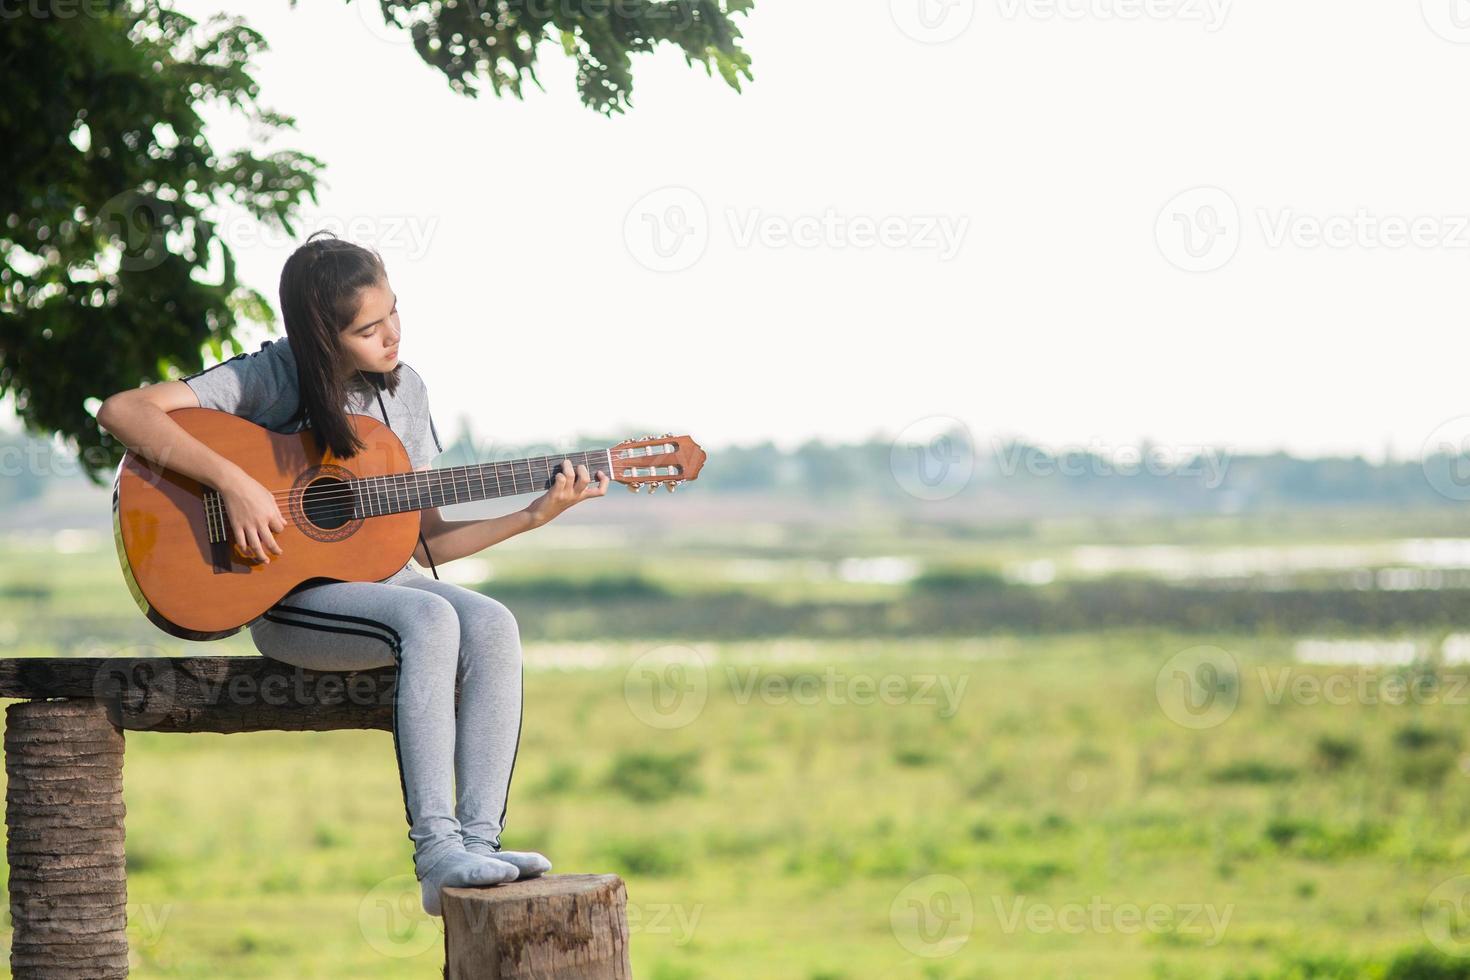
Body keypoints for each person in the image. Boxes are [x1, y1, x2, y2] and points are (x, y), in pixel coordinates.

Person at [96, 231, 610, 917]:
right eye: (368, 328)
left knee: (491, 621)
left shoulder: (408, 392)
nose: (391, 334)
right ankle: (435, 856)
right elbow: (121, 410)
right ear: (321, 334)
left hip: (384, 591)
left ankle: (478, 845)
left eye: (393, 312)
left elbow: (425, 541)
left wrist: (534, 515)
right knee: (429, 615)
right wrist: (235, 484)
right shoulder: (272, 376)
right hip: (287, 604)